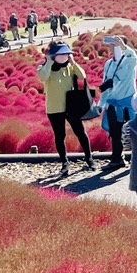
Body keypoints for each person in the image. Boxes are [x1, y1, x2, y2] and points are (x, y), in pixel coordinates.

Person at [37, 42, 94, 176]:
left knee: (81, 132)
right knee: (60, 135)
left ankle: (89, 158)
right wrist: (49, 62)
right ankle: (64, 162)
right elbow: (43, 77)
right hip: (54, 108)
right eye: (60, 54)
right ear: (53, 55)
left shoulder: (70, 67)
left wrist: (73, 62)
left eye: (66, 54)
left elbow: (82, 76)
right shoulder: (44, 68)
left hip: (71, 107)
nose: (64, 57)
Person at [99, 35, 137, 172]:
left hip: (128, 105)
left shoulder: (129, 61)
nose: (111, 48)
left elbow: (134, 58)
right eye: (111, 45)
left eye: (114, 45)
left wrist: (123, 46)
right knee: (115, 134)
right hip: (112, 104)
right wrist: (101, 104)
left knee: (132, 134)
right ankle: (117, 160)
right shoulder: (109, 63)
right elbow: (106, 85)